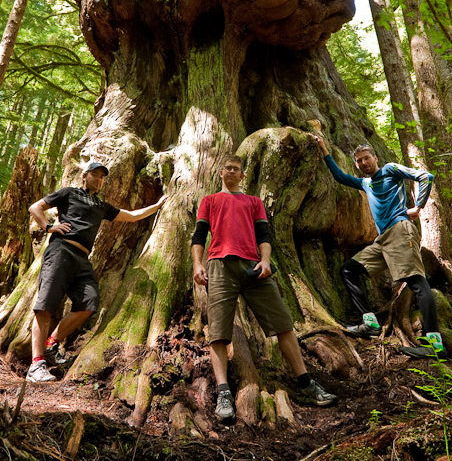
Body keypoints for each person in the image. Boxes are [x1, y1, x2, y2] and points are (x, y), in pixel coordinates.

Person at [191, 155, 337, 423]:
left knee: (283, 324)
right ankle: (224, 393)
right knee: (219, 333)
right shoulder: (209, 201)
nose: (232, 172)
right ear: (221, 172)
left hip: (254, 268)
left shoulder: (253, 202)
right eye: (228, 168)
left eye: (237, 169)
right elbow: (199, 235)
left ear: (242, 175)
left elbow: (264, 236)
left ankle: (306, 384)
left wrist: (266, 261)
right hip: (219, 266)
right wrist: (197, 264)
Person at [27, 161, 168, 382]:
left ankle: (51, 343)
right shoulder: (68, 193)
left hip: (83, 258)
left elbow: (130, 216)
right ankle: (36, 365)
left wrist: (158, 206)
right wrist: (48, 227)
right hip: (61, 250)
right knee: (45, 305)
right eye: (95, 175)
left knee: (89, 302)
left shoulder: (101, 205)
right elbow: (35, 207)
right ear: (84, 175)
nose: (99, 179)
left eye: (102, 177)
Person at [313, 135, 446, 359]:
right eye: (360, 161)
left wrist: (418, 207)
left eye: (367, 158)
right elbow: (339, 176)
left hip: (400, 230)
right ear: (357, 164)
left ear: (375, 158)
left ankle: (435, 345)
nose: (364, 163)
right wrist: (323, 147)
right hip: (383, 241)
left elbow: (425, 176)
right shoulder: (365, 183)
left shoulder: (390, 170)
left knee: (416, 281)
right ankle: (371, 323)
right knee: (349, 270)